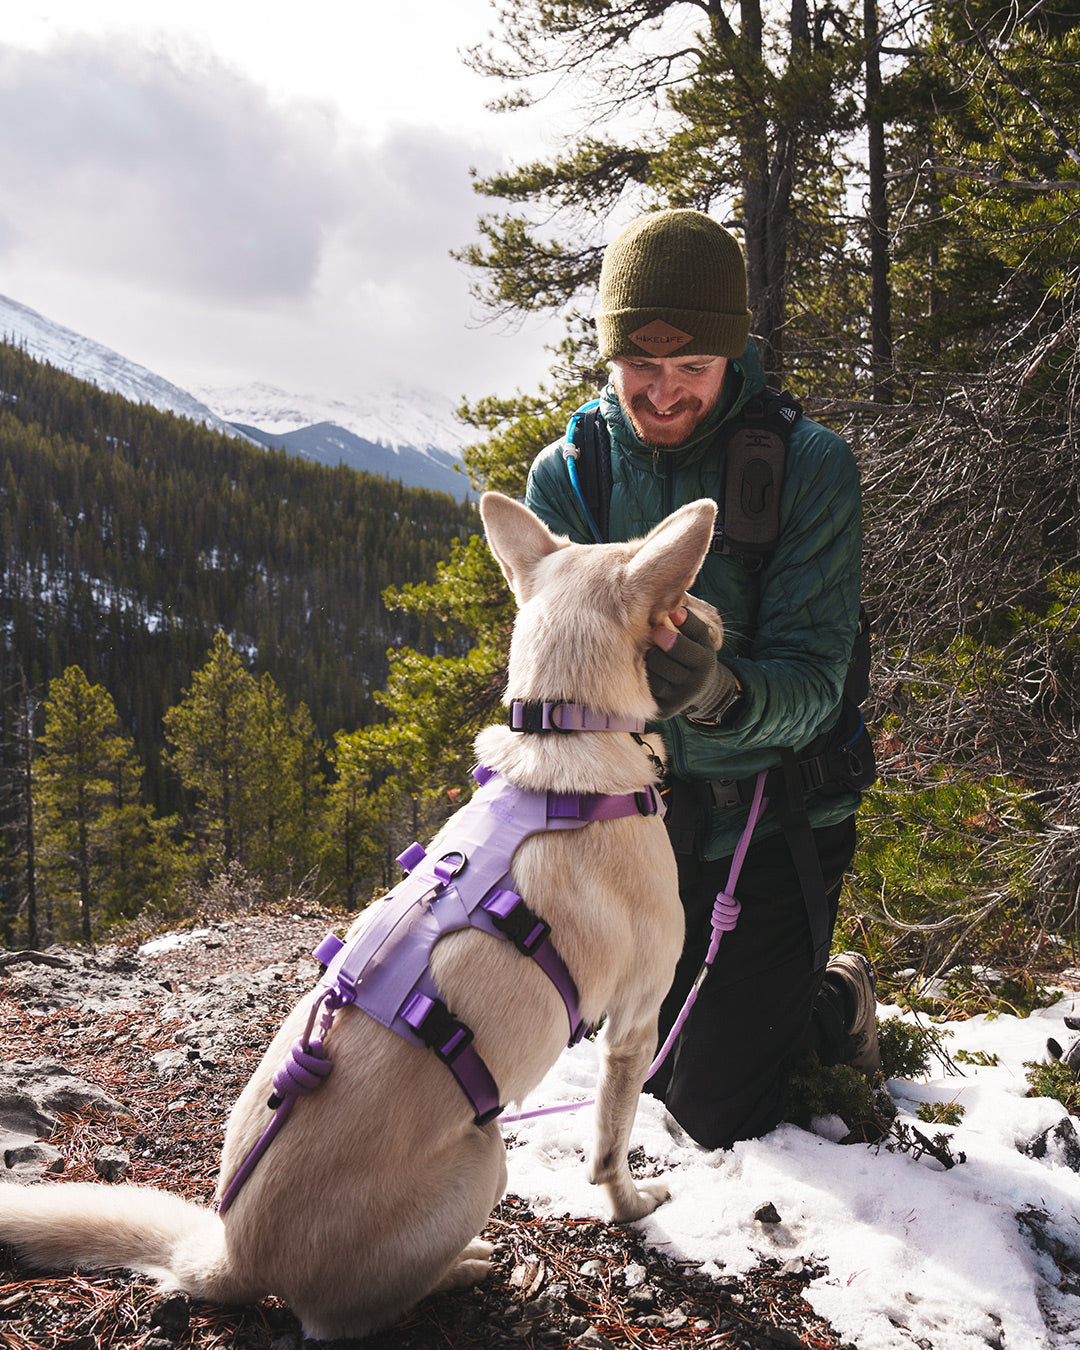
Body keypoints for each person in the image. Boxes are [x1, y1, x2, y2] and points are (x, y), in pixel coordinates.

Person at [524, 208, 879, 1151]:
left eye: (693, 370)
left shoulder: (806, 469)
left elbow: (814, 681)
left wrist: (715, 692)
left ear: (734, 356)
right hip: (646, 820)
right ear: (611, 354)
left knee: (710, 1110)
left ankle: (834, 1002)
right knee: (641, 1062)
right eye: (643, 368)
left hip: (780, 815)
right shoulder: (572, 476)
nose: (666, 393)